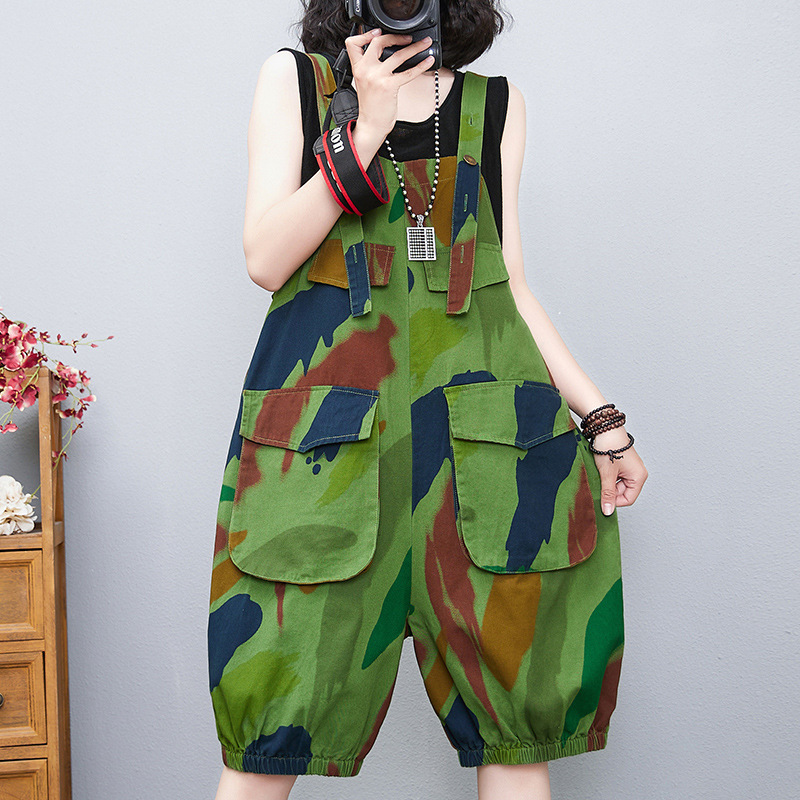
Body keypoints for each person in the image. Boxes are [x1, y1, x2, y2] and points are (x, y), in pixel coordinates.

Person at [208, 2, 648, 798]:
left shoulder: (494, 106)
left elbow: (510, 288)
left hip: (482, 458)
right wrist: (367, 127)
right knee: (268, 729)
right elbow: (266, 259)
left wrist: (602, 419)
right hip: (323, 464)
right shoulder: (297, 83)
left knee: (513, 734)